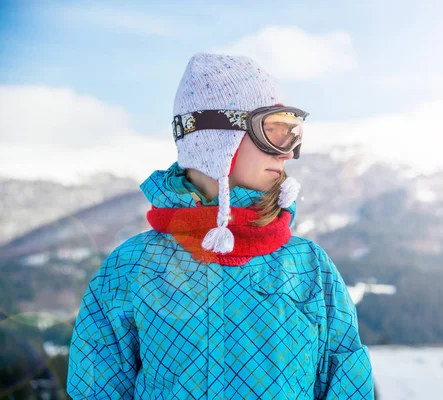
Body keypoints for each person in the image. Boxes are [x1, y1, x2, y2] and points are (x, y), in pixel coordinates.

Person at [67, 52, 374, 399]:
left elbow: (345, 380)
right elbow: (96, 389)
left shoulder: (309, 266)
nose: (287, 152)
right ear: (215, 140)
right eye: (273, 130)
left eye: (293, 134)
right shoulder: (132, 266)